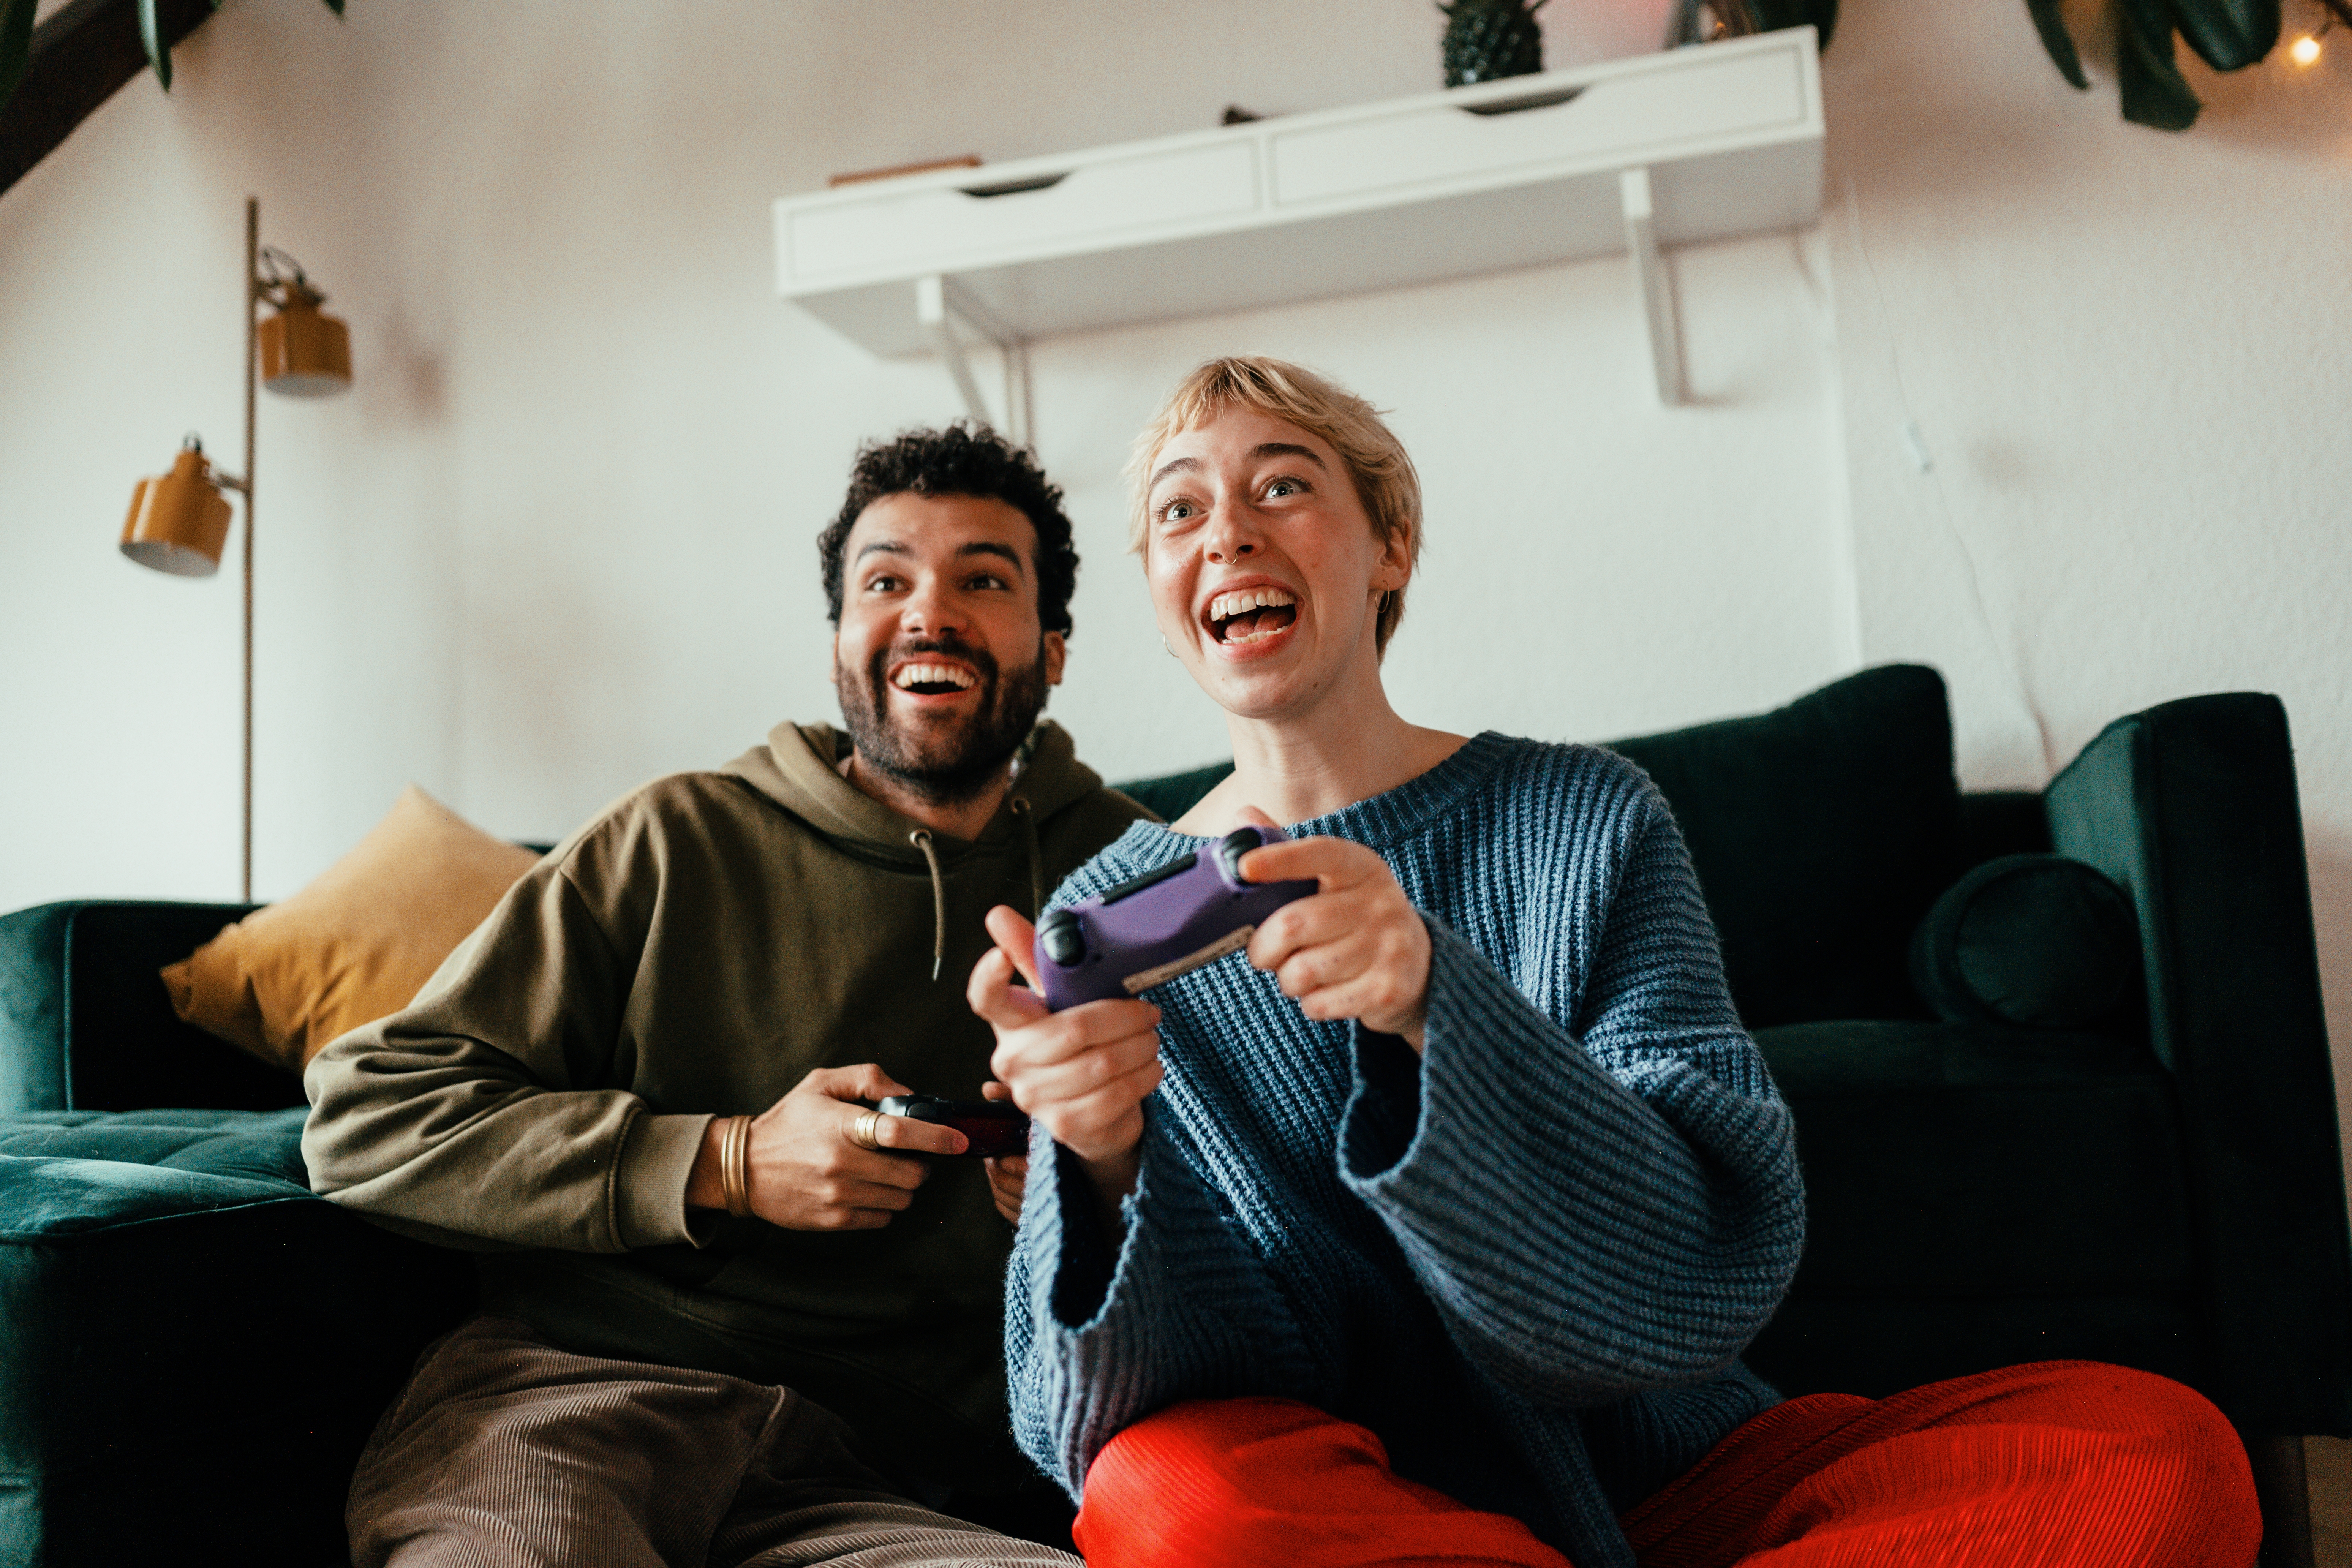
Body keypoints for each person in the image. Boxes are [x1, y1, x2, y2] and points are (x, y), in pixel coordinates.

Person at [968, 358, 2263, 1568]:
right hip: (1373, 1507)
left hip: (1685, 1478)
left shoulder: (1587, 817)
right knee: (1166, 1501)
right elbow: (1098, 1427)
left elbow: (1700, 1272)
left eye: (1284, 485)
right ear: (1158, 591)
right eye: (1180, 511)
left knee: (2160, 1456)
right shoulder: (1109, 918)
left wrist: (1435, 1004)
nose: (1229, 534)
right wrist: (1100, 1157)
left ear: (1391, 546)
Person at [304, 423, 1147, 1568]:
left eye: (984, 580)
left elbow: (1263, 1217)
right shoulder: (673, 839)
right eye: (885, 580)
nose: (929, 613)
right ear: (843, 640)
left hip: (894, 1482)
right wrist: (729, 1161)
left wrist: (1088, 1189)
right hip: (571, 1403)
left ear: (1054, 647)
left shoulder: (1140, 878)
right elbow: (364, 1119)